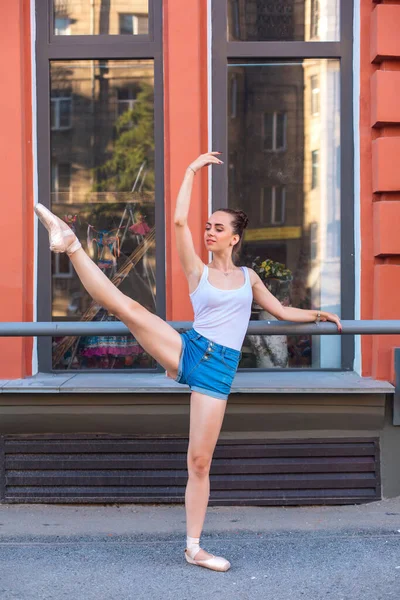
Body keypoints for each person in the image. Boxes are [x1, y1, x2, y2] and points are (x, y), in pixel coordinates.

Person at [34, 151, 342, 573]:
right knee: (130, 308)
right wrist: (191, 172)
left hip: (218, 371)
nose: (209, 231)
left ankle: (194, 548)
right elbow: (178, 223)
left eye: (218, 228)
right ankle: (70, 243)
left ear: (235, 237)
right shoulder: (197, 271)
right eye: (208, 226)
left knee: (199, 462)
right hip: (190, 349)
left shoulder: (249, 278)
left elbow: (282, 313)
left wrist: (321, 315)